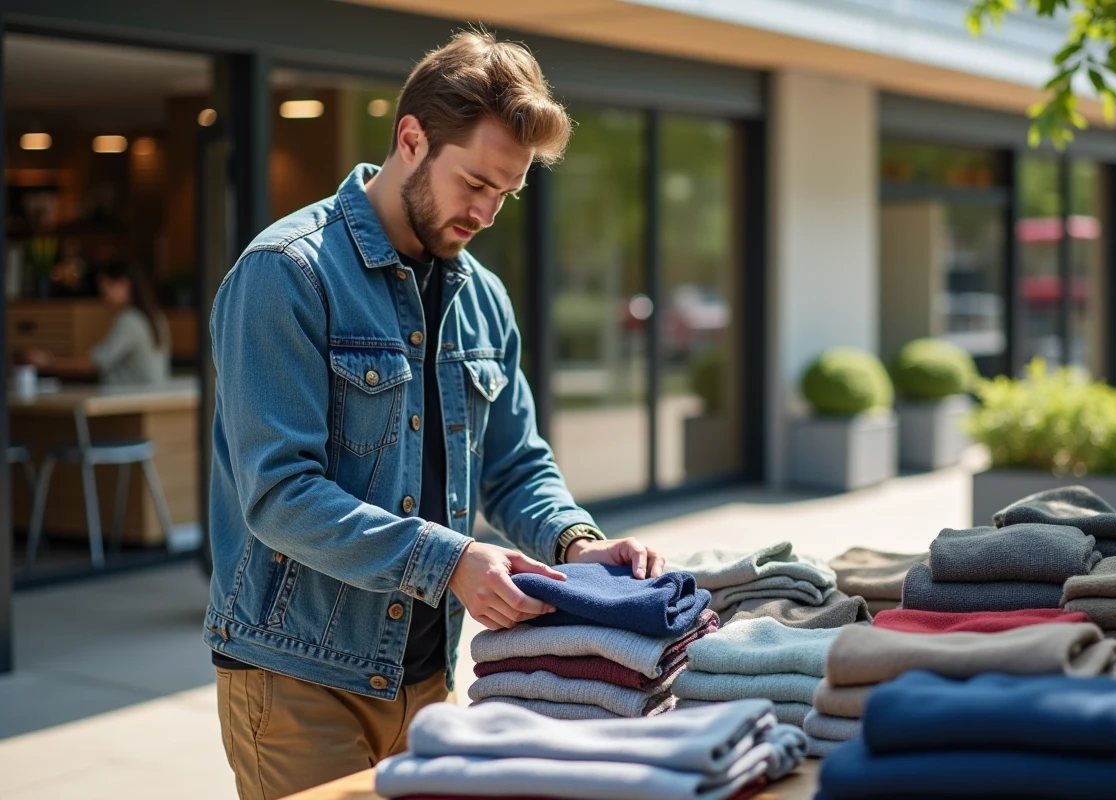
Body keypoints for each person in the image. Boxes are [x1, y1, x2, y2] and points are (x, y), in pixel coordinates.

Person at [205, 30, 665, 800]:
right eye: (475, 183)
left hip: (428, 681)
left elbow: (516, 465)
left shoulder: (483, 298)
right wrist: (449, 561)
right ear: (411, 139)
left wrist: (576, 542)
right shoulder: (285, 273)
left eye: (505, 194)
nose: (487, 212)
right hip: (295, 680)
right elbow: (277, 494)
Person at [20, 260, 170, 386]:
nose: (103, 294)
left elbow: (94, 363)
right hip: (146, 399)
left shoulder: (129, 320)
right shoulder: (156, 316)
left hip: (126, 403)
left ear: (124, 284)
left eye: (107, 287)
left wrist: (48, 363)